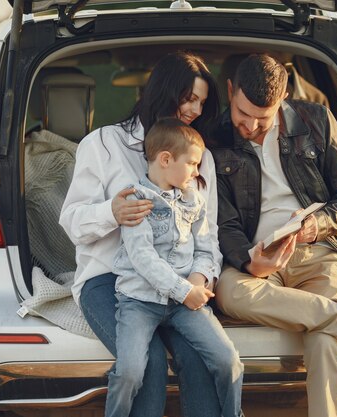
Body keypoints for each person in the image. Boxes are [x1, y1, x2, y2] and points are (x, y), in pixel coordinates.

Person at [210, 54, 337, 417]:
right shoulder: (214, 138)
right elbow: (223, 223)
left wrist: (316, 224)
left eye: (264, 116)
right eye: (244, 114)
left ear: (284, 95)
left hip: (320, 252)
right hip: (256, 256)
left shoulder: (316, 120)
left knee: (325, 340)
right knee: (228, 291)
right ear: (231, 91)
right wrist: (247, 259)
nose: (252, 126)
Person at [60, 51, 223, 416]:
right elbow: (71, 221)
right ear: (165, 92)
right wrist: (112, 212)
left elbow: (206, 236)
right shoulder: (102, 144)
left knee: (201, 358)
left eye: (202, 102)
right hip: (109, 279)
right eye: (189, 98)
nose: (196, 110)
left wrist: (198, 280)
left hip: (179, 281)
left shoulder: (201, 158)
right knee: (146, 364)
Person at [107, 118, 243, 417]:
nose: (197, 171)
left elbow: (206, 247)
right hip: (140, 301)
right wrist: (184, 291)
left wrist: (197, 280)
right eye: (193, 163)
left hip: (184, 303)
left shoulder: (193, 199)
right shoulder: (136, 199)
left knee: (228, 361)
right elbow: (143, 259)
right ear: (166, 159)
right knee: (129, 371)